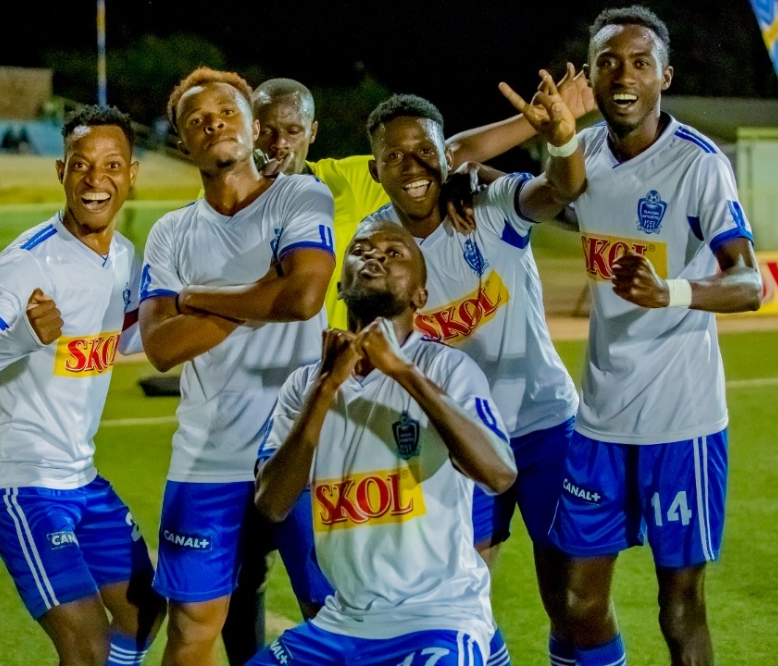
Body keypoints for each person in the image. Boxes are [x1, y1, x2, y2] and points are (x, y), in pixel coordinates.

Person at [546, 7, 763, 666]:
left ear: (663, 76)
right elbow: (545, 197)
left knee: (678, 609)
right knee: (579, 602)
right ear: (591, 73)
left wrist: (669, 291)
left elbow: (751, 284)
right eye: (608, 61)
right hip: (601, 419)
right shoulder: (581, 154)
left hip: (682, 421)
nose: (623, 75)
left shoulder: (698, 165)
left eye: (639, 62)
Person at [361, 84, 584, 666]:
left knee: (573, 598)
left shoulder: (489, 204)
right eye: (394, 157)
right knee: (462, 594)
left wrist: (560, 139)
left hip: (540, 424)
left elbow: (559, 189)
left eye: (423, 152)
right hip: (453, 440)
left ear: (447, 155)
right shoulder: (376, 246)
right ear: (374, 168)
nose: (411, 167)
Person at [0, 105, 165, 666]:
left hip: (80, 478)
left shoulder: (122, 257)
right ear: (60, 171)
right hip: (20, 480)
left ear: (132, 173)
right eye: (82, 165)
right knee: (84, 646)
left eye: (112, 164)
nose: (96, 179)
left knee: (145, 612)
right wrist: (19, 338)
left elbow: (127, 337)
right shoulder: (27, 261)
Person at [250, 219, 518, 666]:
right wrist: (325, 389)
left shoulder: (447, 369)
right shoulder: (304, 385)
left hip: (436, 617)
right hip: (342, 622)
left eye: (395, 253)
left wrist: (402, 371)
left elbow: (498, 473)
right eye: (362, 250)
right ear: (340, 286)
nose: (375, 256)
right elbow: (272, 503)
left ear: (420, 296)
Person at [137, 67, 336, 666]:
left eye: (226, 111)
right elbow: (161, 348)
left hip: (301, 451)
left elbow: (303, 298)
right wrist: (262, 291)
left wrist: (197, 297)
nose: (212, 123)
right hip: (206, 458)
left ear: (254, 127)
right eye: (195, 120)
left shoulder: (300, 196)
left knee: (334, 615)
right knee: (192, 630)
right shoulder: (169, 233)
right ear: (183, 144)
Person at [251, 73, 595, 330]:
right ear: (251, 131)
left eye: (293, 131)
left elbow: (450, 155)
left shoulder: (344, 181)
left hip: (335, 362)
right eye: (267, 131)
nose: (279, 143)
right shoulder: (223, 206)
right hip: (253, 365)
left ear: (311, 133)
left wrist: (536, 121)